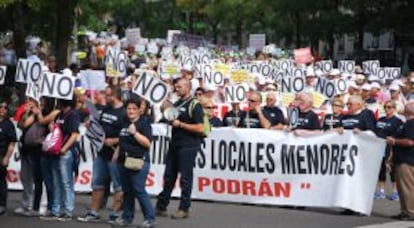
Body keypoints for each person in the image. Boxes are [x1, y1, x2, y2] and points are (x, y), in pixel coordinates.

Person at [155, 78, 204, 219]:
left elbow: (200, 127)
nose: (177, 89)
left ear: (188, 88)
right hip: (175, 144)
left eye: (179, 87)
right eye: (175, 87)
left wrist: (181, 125)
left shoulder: (195, 105)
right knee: (169, 176)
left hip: (188, 146)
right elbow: (167, 113)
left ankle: (184, 208)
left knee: (185, 179)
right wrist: (165, 101)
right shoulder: (177, 103)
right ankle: (161, 206)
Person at [78, 86, 125, 223]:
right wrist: (90, 124)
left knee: (118, 186)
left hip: (115, 155)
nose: (105, 97)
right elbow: (97, 122)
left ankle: (115, 214)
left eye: (108, 94)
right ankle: (94, 212)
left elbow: (128, 134)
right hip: (102, 154)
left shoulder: (123, 113)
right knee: (97, 183)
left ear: (115, 95)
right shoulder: (106, 109)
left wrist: (115, 140)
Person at [114, 98, 155, 227]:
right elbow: (121, 141)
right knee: (127, 191)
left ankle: (150, 218)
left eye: (134, 109)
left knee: (138, 189)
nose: (131, 111)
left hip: (138, 161)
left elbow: (148, 143)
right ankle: (127, 218)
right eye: (129, 109)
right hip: (123, 161)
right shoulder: (124, 122)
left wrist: (135, 133)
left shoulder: (144, 123)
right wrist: (115, 156)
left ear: (139, 110)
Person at [44, 98, 80, 221]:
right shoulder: (59, 114)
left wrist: (65, 148)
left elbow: (74, 134)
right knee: (56, 182)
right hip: (55, 152)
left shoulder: (73, 115)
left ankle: (68, 211)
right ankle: (56, 210)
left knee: (66, 182)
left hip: (65, 152)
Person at [386, 102, 414, 221]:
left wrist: (394, 141)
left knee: (407, 187)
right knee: (402, 188)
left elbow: (410, 142)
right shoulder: (406, 123)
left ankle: (410, 212)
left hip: (407, 160)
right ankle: (404, 211)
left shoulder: (411, 124)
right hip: (401, 158)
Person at [374, 100, 403, 201]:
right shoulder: (380, 119)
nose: (387, 109)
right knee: (381, 169)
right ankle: (381, 191)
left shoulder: (397, 121)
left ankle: (395, 192)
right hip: (379, 146)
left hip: (391, 148)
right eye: (385, 107)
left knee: (392, 170)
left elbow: (399, 135)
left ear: (394, 109)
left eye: (389, 107)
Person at [0, 100, 17, 216]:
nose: (3, 110)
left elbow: (11, 143)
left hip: (1, 155)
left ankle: (2, 205)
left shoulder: (8, 124)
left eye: (5, 108)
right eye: (1, 107)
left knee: (1, 180)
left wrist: (7, 157)